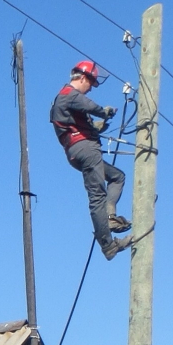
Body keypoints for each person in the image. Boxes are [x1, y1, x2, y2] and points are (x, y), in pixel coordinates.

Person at [50, 60, 133, 260]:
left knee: (117, 177)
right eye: (91, 83)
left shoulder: (66, 101)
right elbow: (87, 105)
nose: (90, 89)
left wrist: (98, 126)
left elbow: (77, 121)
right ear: (82, 77)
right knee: (97, 196)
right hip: (86, 149)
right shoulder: (68, 94)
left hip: (78, 150)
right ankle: (108, 245)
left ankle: (110, 215)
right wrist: (104, 111)